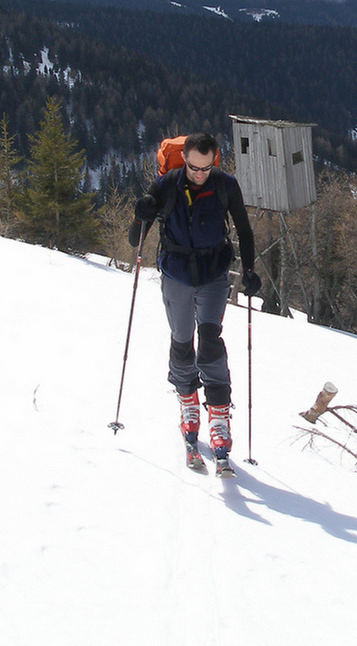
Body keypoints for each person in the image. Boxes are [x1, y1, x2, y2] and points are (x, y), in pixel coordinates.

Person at [130, 132, 260, 467]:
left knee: (210, 340)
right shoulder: (166, 186)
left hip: (214, 272)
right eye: (193, 167)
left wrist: (248, 268)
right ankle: (187, 398)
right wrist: (139, 213)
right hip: (176, 273)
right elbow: (136, 239)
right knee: (181, 340)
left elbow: (244, 230)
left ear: (214, 160)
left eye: (205, 168)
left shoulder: (225, 185)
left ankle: (218, 413)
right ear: (184, 160)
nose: (199, 174)